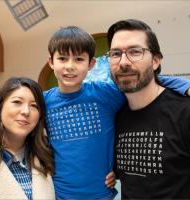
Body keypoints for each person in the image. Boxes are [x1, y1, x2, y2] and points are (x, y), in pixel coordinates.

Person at [44, 26, 190, 200]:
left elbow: (141, 79)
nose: (70, 66)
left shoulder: (105, 94)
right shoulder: (42, 101)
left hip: (102, 196)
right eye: (62, 58)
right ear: (51, 62)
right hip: (56, 195)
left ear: (91, 64)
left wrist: (183, 85)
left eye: (78, 59)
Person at [107, 19, 190, 199]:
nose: (123, 62)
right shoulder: (114, 116)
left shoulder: (184, 112)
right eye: (115, 53)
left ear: (155, 61)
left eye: (135, 52)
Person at [0, 77, 55, 200]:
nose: (26, 111)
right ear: (0, 108)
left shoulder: (46, 157)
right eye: (17, 102)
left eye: (34, 106)